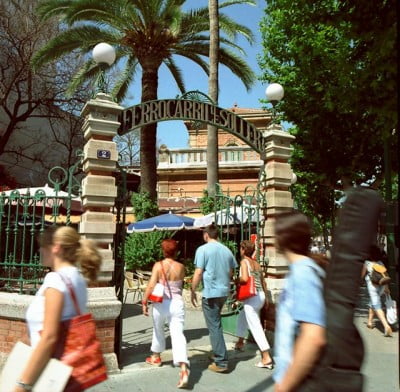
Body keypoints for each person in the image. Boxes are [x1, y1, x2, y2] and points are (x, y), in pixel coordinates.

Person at [13, 225, 102, 392]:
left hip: (49, 374)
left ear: (56, 248)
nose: (39, 250)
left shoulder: (55, 280)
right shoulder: (78, 277)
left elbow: (49, 337)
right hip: (66, 372)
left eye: (42, 246)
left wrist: (22, 385)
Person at [273, 211, 328, 392]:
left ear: (283, 237)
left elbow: (313, 336)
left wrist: (284, 386)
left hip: (301, 382)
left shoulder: (303, 273)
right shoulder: (303, 269)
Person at [141, 239, 190, 389]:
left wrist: (144, 301)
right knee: (178, 334)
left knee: (158, 329)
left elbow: (151, 285)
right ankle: (183, 366)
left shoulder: (158, 265)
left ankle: (156, 357)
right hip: (177, 303)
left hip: (161, 303)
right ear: (176, 252)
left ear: (163, 251)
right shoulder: (181, 267)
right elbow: (180, 286)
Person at [191, 224, 237, 373]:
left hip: (211, 292)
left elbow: (198, 272)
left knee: (214, 326)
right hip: (224, 291)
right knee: (216, 324)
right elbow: (231, 273)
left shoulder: (203, 250)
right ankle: (219, 352)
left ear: (206, 235)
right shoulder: (227, 250)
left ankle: (221, 361)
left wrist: (192, 290)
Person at [234, 240, 273, 369]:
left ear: (244, 250)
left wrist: (236, 280)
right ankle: (240, 342)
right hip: (260, 295)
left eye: (241, 248)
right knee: (242, 315)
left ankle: (266, 356)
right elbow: (263, 282)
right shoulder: (256, 264)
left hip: (252, 297)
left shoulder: (244, 262)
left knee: (255, 326)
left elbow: (244, 279)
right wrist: (266, 298)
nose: (240, 250)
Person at [361, 245, 392, 337]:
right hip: (381, 285)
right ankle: (370, 322)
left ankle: (386, 326)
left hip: (372, 286)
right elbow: (385, 275)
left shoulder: (367, 263)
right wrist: (387, 287)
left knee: (376, 304)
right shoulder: (380, 263)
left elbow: (362, 275)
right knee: (373, 302)